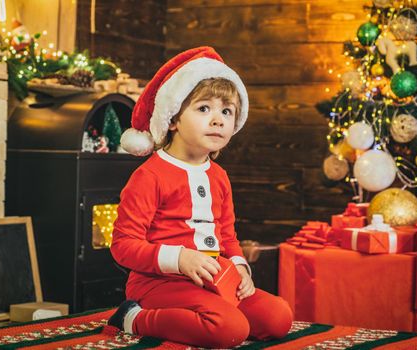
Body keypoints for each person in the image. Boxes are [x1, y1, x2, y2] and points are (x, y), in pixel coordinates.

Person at [109, 46, 293, 349]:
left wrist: (240, 268)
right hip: (158, 283)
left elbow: (228, 236)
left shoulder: (219, 176)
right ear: (173, 119)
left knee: (278, 318)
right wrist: (179, 258)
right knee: (228, 329)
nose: (218, 120)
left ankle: (211, 312)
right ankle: (133, 318)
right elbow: (123, 246)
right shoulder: (149, 176)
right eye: (204, 108)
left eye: (226, 111)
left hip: (214, 279)